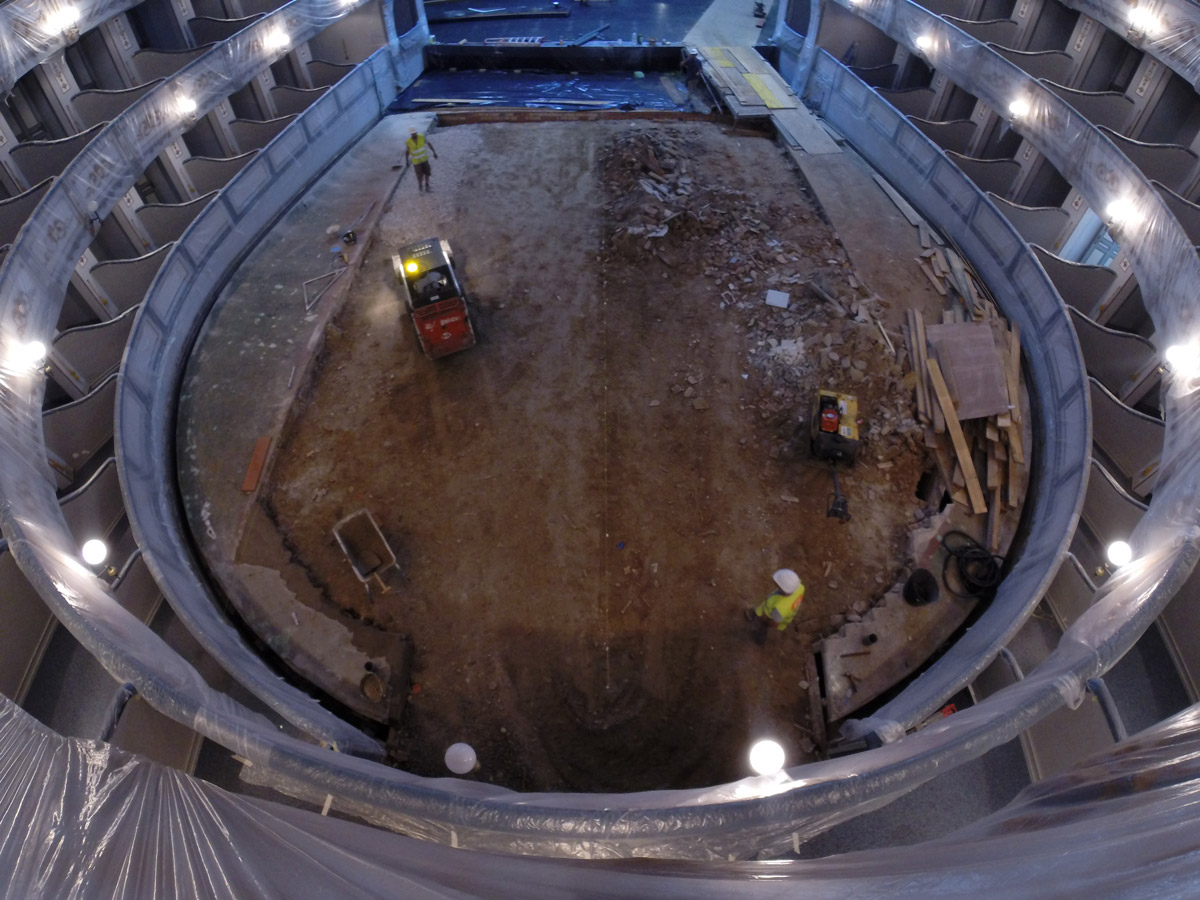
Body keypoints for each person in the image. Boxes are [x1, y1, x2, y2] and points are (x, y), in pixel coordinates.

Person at [747, 568, 805, 641]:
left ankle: (759, 639)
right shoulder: (799, 587)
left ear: (783, 589)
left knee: (760, 629)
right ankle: (756, 614)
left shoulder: (780, 609)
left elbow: (774, 623)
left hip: (765, 618)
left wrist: (765, 621)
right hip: (770, 611)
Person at [405, 127, 438, 193]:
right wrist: (406, 160)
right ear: (410, 134)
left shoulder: (422, 137)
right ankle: (420, 186)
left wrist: (434, 152)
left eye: (415, 133)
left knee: (427, 172)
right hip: (416, 162)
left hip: (424, 159)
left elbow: (429, 144)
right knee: (419, 175)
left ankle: (427, 185)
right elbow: (407, 151)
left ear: (416, 132)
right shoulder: (408, 142)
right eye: (412, 134)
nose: (414, 135)